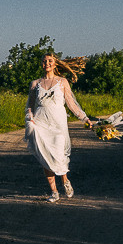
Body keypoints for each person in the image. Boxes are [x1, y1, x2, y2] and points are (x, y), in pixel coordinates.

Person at [24, 54, 92, 202]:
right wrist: (30, 117)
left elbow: (71, 104)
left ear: (55, 64)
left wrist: (85, 118)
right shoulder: (35, 84)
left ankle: (65, 180)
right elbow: (30, 104)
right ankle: (54, 192)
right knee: (45, 157)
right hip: (41, 123)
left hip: (58, 124)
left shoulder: (62, 82)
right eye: (44, 61)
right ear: (41, 64)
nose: (46, 63)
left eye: (50, 61)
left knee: (59, 154)